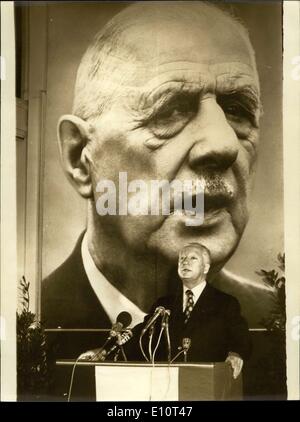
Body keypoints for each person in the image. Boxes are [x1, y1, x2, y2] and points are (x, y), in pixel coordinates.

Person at [42, 1, 279, 333]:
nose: (223, 145)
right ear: (80, 157)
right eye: (170, 111)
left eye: (237, 110)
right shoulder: (27, 327)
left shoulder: (275, 326)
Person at [125, 243, 251, 379]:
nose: (185, 261)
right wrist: (107, 351)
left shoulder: (225, 303)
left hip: (206, 381)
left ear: (206, 268)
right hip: (167, 382)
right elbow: (142, 335)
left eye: (193, 258)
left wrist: (236, 354)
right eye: (182, 258)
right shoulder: (164, 303)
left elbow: (241, 338)